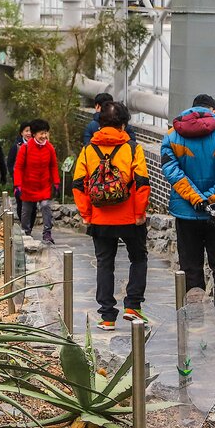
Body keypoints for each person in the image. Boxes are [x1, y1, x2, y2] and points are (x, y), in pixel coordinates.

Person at [160, 94, 215, 339]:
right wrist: (213, 198)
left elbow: (172, 173)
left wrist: (197, 199)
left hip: (187, 212)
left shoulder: (171, 137)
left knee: (191, 265)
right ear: (214, 110)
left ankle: (195, 318)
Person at [73, 100, 151, 330]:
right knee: (138, 258)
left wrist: (86, 214)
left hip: (99, 218)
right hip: (129, 217)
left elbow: (78, 184)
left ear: (100, 122)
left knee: (104, 264)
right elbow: (142, 184)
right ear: (124, 125)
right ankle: (132, 306)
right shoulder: (133, 148)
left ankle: (107, 317)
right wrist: (139, 214)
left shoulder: (88, 150)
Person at [12, 119, 59, 244]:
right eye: (41, 133)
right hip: (28, 185)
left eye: (45, 133)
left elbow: (53, 166)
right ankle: (26, 232)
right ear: (34, 134)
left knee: (45, 206)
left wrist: (56, 182)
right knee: (26, 210)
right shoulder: (25, 148)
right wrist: (18, 185)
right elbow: (18, 167)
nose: (44, 136)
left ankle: (47, 233)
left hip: (44, 185)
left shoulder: (49, 148)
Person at [7, 121, 32, 215]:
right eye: (26, 131)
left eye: (31, 131)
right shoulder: (16, 146)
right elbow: (10, 163)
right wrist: (14, 175)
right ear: (21, 132)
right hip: (19, 181)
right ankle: (23, 225)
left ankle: (29, 226)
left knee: (32, 204)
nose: (29, 133)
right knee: (20, 203)